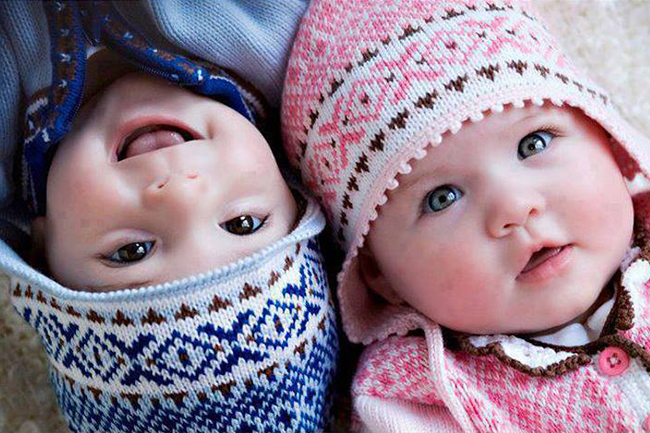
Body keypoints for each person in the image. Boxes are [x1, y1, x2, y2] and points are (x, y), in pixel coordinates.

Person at [281, 0, 650, 430]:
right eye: (442, 198)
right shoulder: (415, 398)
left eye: (534, 143)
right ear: (379, 275)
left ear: (607, 136)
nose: (514, 207)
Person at [0, 2, 338, 432]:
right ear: (292, 189)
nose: (180, 194)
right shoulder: (278, 33)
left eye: (132, 251)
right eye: (243, 223)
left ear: (41, 255)